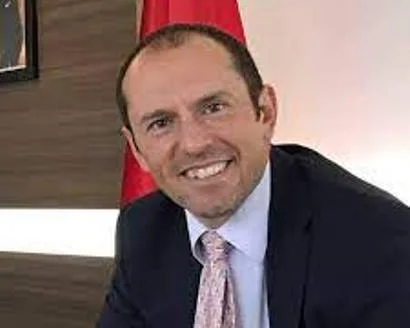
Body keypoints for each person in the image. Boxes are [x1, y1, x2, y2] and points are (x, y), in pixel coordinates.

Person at [97, 23, 410, 327]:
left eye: (214, 107)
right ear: (136, 149)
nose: (194, 144)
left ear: (266, 113)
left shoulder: (378, 239)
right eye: (161, 123)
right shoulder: (142, 229)